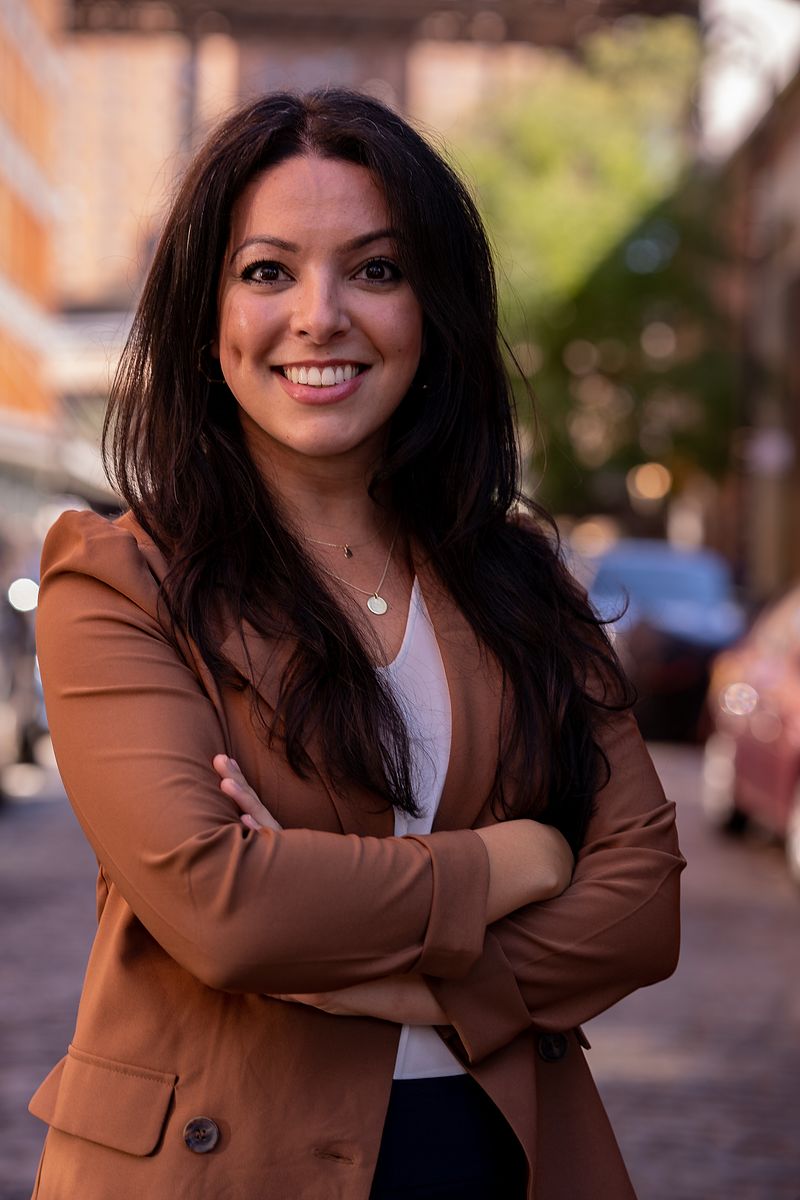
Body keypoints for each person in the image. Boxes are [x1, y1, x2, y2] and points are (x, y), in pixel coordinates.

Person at [30, 89, 684, 1200]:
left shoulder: (517, 580)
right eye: (268, 271)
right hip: (219, 1165)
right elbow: (224, 909)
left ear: (432, 309)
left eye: (375, 270)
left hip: (499, 1152)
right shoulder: (114, 579)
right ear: (208, 313)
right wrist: (511, 862)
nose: (320, 317)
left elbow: (639, 908)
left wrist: (400, 987)